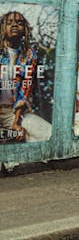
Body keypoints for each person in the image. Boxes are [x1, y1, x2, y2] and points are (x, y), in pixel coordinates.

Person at [0, 11, 51, 142]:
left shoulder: (29, 55)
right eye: (9, 22)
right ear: (2, 27)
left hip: (14, 112)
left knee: (48, 134)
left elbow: (25, 90)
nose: (14, 25)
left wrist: (16, 123)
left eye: (19, 23)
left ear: (25, 30)